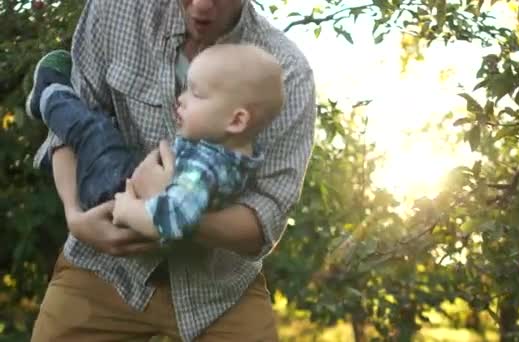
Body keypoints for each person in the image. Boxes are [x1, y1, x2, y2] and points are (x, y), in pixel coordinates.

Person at [29, 0, 316, 341]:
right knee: (89, 131)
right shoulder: (115, 9)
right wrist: (75, 215)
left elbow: (267, 214)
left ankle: (50, 90)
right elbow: (71, 126)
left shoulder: (287, 73)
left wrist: (164, 203)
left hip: (218, 287)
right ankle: (50, 94)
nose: (201, 7)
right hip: (104, 265)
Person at [28, 44, 284, 244]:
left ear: (236, 120)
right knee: (102, 133)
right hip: (126, 187)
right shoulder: (237, 154)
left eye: (196, 93)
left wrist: (129, 208)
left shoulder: (203, 168)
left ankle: (49, 94)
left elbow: (171, 217)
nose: (181, 100)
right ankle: (79, 151)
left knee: (94, 130)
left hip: (115, 195)